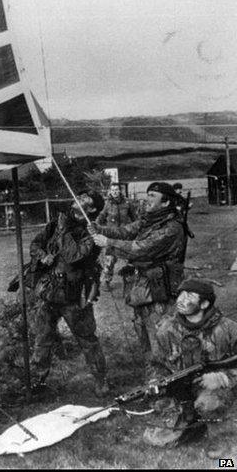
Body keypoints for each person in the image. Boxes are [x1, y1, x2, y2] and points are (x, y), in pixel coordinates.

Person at [90, 182, 186, 378]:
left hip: (161, 291)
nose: (147, 199)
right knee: (144, 335)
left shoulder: (172, 227)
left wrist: (108, 243)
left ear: (166, 202)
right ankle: (154, 379)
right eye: (147, 194)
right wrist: (100, 229)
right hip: (143, 289)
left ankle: (169, 384)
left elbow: (143, 247)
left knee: (161, 337)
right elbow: (126, 231)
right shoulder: (149, 220)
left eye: (152, 196)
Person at [29, 190, 109, 397]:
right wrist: (43, 255)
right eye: (78, 196)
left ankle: (101, 380)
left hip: (75, 295)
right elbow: (35, 244)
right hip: (49, 292)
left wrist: (64, 231)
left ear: (91, 209)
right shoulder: (57, 223)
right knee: (42, 338)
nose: (77, 200)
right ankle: (37, 382)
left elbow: (73, 255)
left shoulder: (91, 233)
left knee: (87, 339)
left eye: (84, 200)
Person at [143, 279, 237, 447]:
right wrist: (156, 380)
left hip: (217, 388)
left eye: (189, 296)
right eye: (180, 294)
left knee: (209, 405)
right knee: (157, 439)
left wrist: (222, 377)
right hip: (181, 390)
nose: (180, 299)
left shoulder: (229, 329)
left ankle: (223, 443)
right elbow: (155, 364)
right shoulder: (166, 329)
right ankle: (193, 426)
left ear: (204, 303)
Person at [96, 182, 137, 288]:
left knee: (129, 260)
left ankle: (130, 282)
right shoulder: (107, 203)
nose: (114, 192)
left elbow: (135, 218)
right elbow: (101, 216)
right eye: (112, 190)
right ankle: (106, 281)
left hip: (125, 235)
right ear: (110, 191)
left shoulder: (127, 203)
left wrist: (135, 230)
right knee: (109, 260)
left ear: (120, 191)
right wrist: (95, 226)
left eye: (116, 190)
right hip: (112, 236)